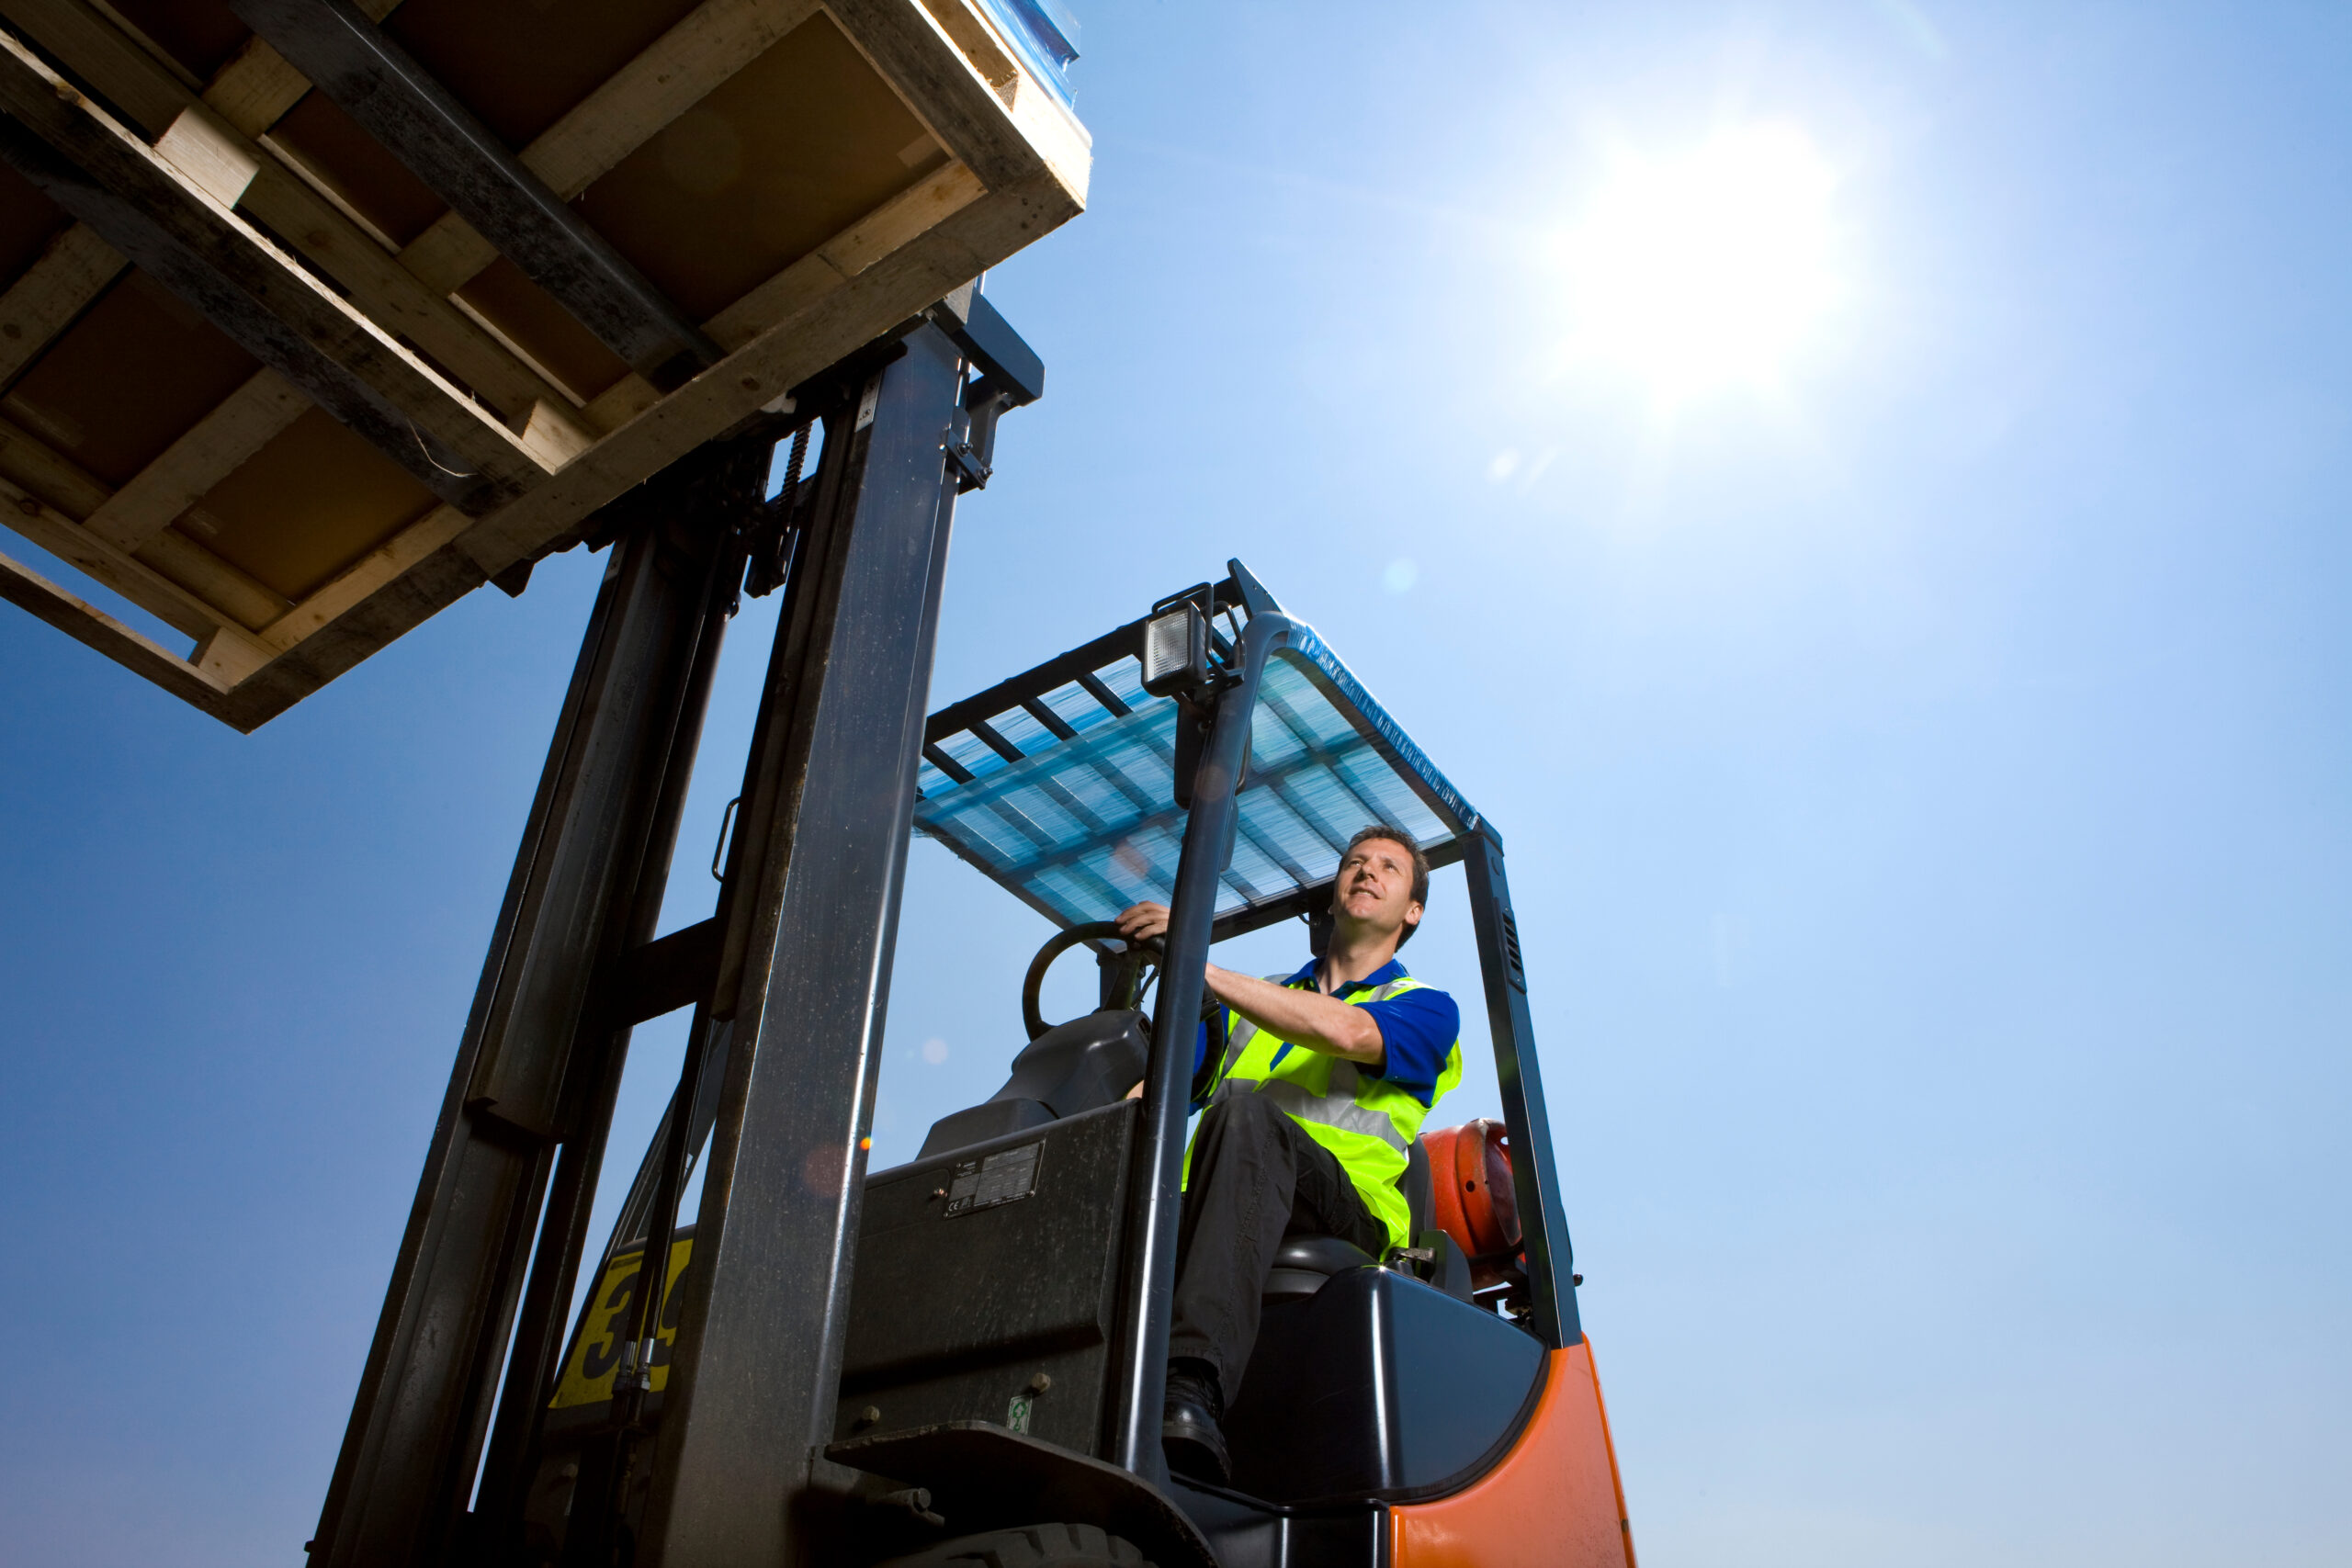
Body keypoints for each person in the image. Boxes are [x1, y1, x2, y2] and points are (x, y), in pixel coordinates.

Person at [1114, 824, 1463, 1483]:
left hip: (1347, 1215)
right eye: (1355, 862)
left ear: (1412, 910)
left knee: (1250, 1117)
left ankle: (1191, 1388)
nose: (1366, 871)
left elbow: (1347, 1030)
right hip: (1227, 1201)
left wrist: (1192, 955)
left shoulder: (1423, 1007)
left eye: (1388, 868)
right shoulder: (1253, 1001)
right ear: (1333, 892)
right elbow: (1163, 1088)